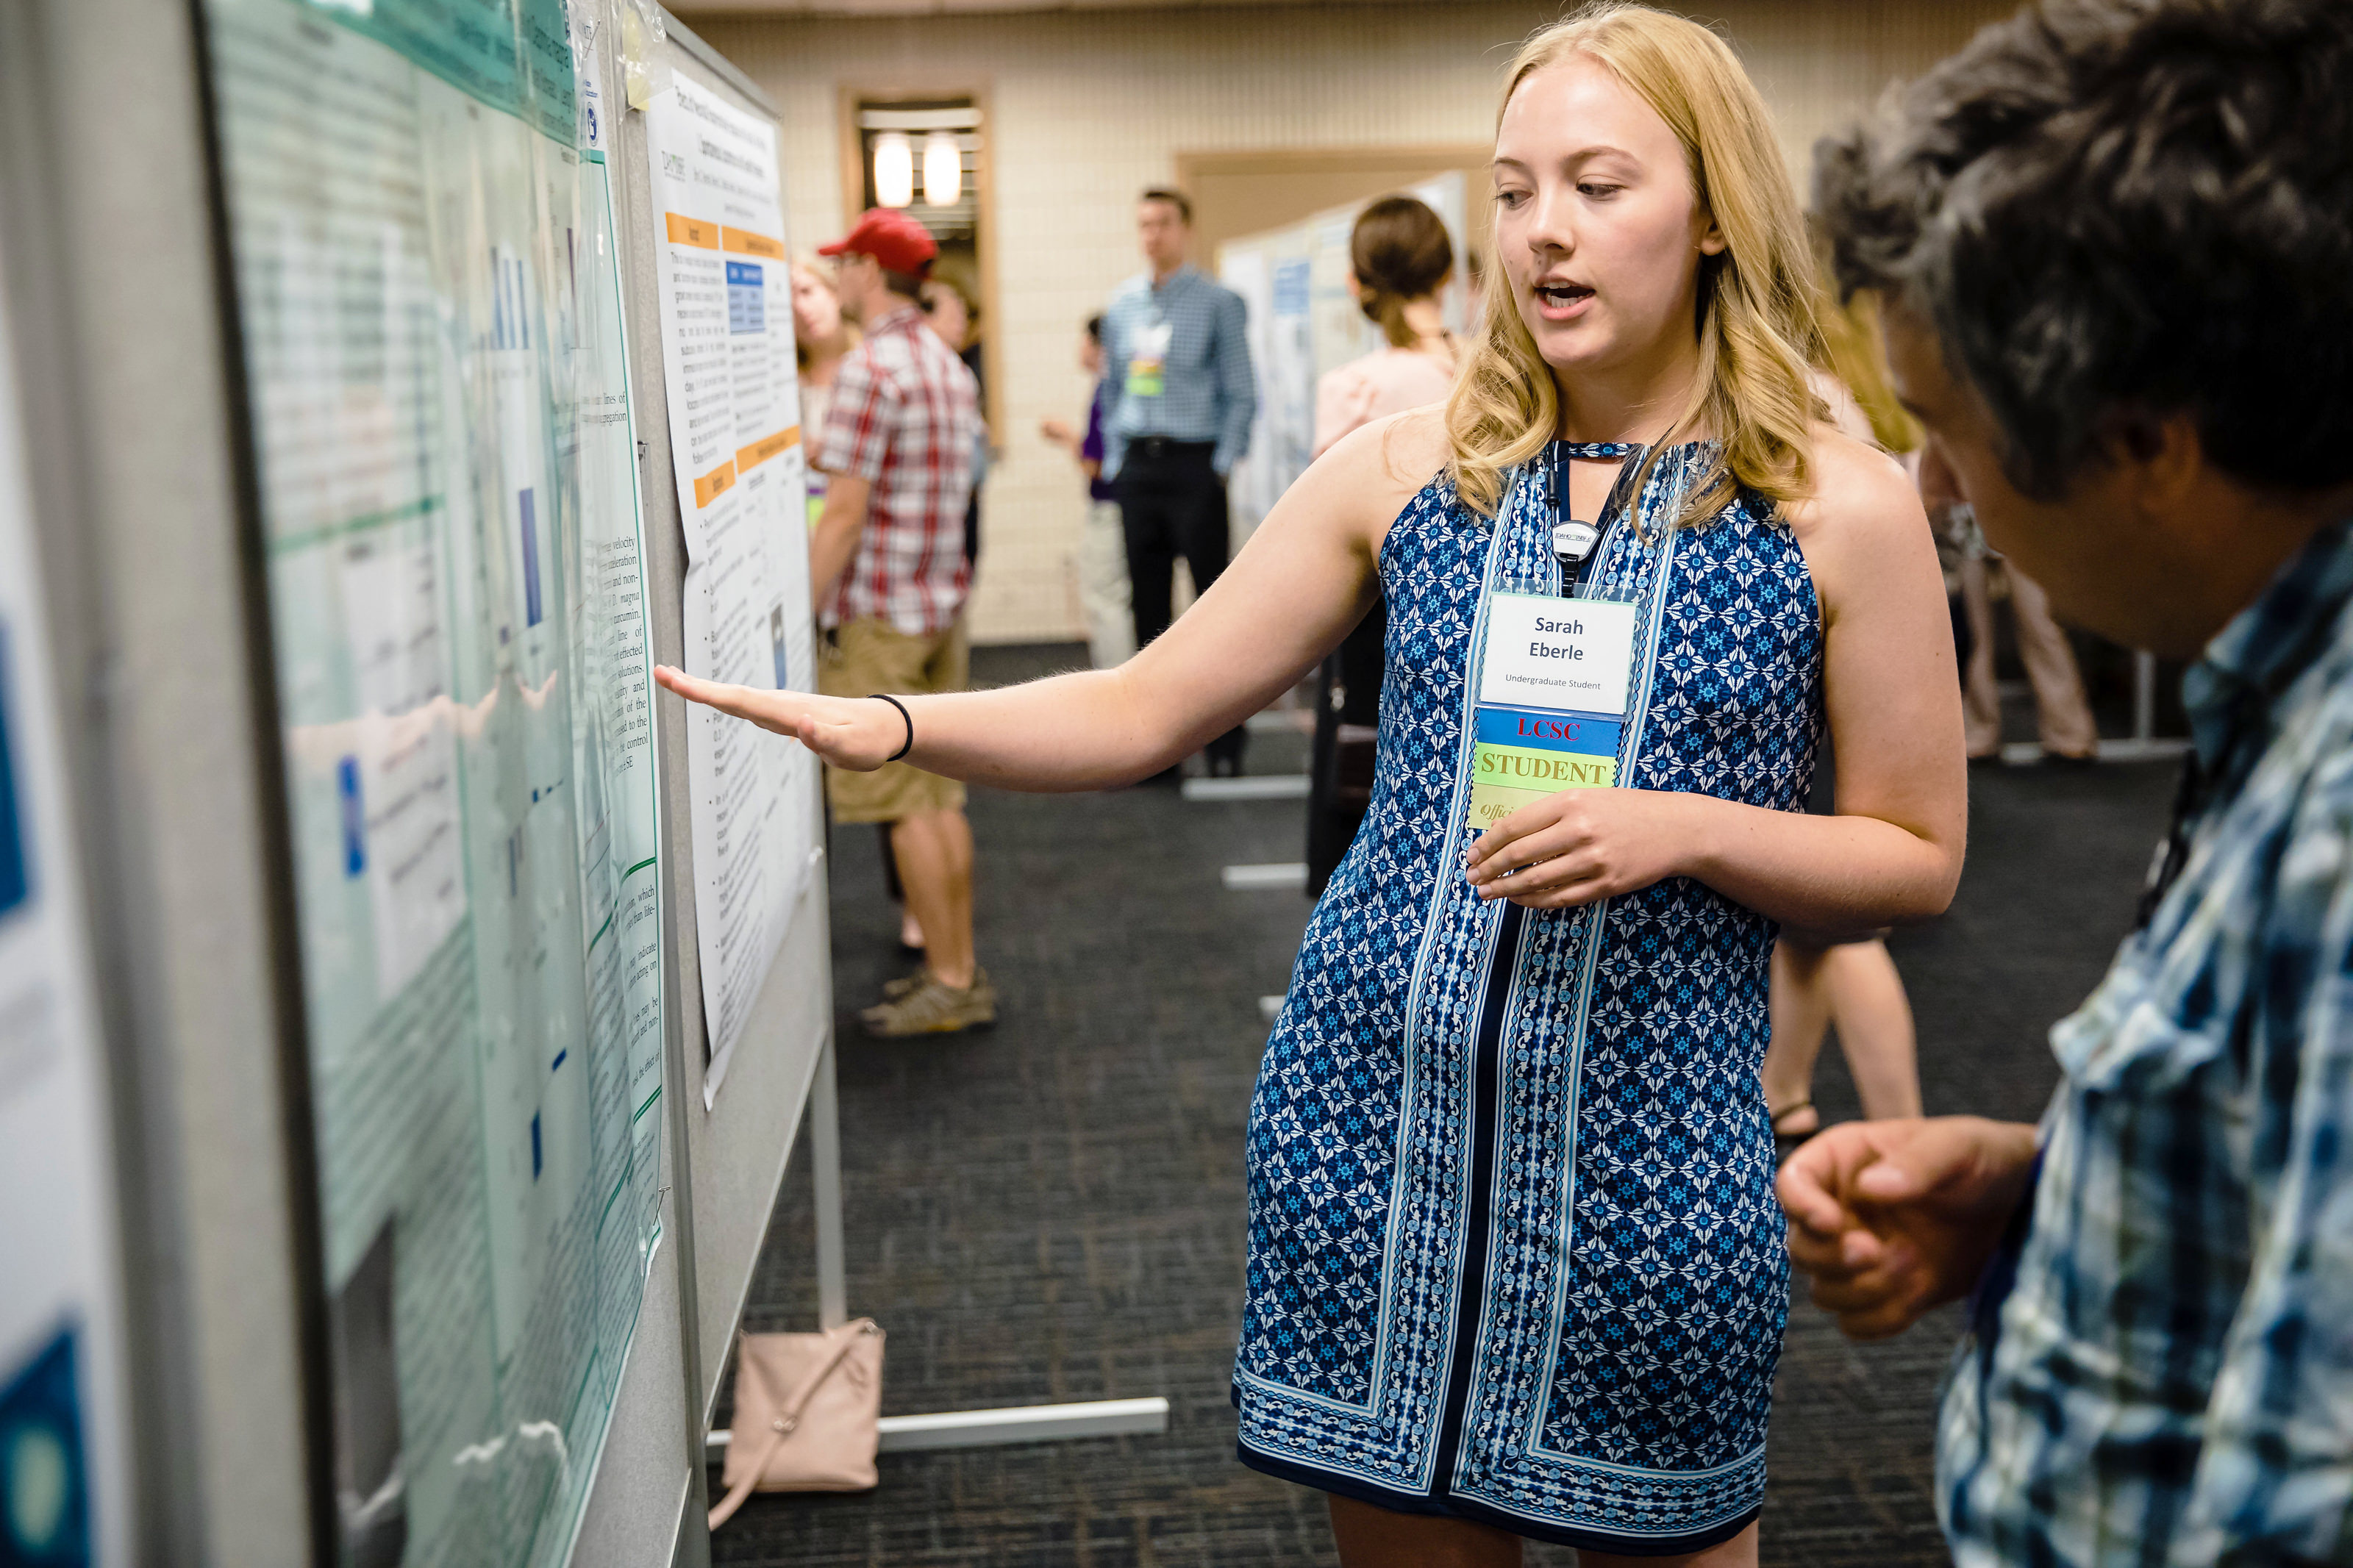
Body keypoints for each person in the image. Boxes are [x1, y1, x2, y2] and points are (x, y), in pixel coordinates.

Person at [655, 7, 1964, 1561]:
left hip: (1651, 1177)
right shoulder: (1413, 470)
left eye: (1598, 185)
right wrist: (896, 721)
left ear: (1715, 214)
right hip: (1366, 1146)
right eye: (1514, 189)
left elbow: (1915, 851)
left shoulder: (1833, 505)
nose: (1543, 230)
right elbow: (1143, 703)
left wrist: (1683, 828)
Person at [1785, 4, 2353, 1564]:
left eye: (1949, 431)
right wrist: (2059, 1193)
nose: (1933, 489)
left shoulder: (2336, 821)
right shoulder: (2274, 698)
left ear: (2147, 443)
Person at [806, 208, 991, 1036]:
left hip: (881, 614)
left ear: (870, 273)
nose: (837, 277)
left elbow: (843, 514)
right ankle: (958, 967)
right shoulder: (945, 363)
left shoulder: (870, 368)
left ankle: (948, 981)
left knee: (903, 802)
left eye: (844, 263)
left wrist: (804, 609)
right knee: (939, 797)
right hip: (937, 607)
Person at [1763, 276, 1929, 1153]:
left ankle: (1901, 1133)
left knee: (1840, 928)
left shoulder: (1794, 399)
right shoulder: (1822, 391)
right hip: (1816, 688)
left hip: (1820, 695)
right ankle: (1785, 1090)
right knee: (1804, 936)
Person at [1305, 194, 1460, 893]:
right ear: (1447, 274)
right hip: (1475, 617)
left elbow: (1323, 531)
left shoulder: (1356, 387)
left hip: (1374, 619)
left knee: (1362, 787)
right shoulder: (1497, 376)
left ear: (1358, 283)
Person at [1100, 186, 1257, 777]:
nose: (1153, 235)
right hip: (1140, 466)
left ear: (1185, 229)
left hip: (1195, 465)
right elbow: (1112, 388)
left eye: (1163, 223)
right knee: (1146, 606)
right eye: (1144, 224)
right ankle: (1153, 749)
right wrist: (1116, 458)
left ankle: (1224, 744)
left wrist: (1220, 464)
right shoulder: (1122, 304)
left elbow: (1242, 392)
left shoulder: (1218, 302)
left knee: (1214, 608)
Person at [1041, 315, 1133, 670]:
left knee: (1105, 599)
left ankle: (1115, 679)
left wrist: (1066, 436)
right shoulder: (1123, 386)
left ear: (1098, 346)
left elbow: (1094, 464)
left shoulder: (1106, 390)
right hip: (1126, 504)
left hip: (1109, 507)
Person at [921, 267, 990, 569]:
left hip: (965, 498)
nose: (962, 322)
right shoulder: (925, 372)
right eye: (953, 314)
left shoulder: (957, 370)